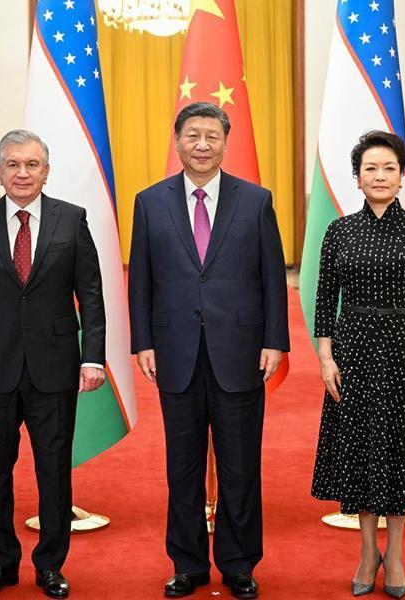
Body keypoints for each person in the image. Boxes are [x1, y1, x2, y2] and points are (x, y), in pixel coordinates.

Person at [128, 102, 289, 600]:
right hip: (174, 353)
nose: (202, 145)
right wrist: (142, 341)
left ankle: (239, 564)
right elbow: (141, 280)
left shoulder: (255, 200)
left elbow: (272, 277)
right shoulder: (149, 202)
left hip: (240, 351)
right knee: (183, 467)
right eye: (193, 135)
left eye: (212, 136)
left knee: (240, 464)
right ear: (177, 141)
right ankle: (188, 564)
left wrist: (275, 341)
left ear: (225, 142)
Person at [0, 130, 106, 599]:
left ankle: (50, 564)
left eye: (32, 164)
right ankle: (0, 562)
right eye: (13, 164)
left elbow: (91, 294)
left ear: (46, 170)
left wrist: (93, 356)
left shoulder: (71, 219)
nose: (22, 173)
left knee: (54, 469)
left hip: (54, 367)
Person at [310, 130, 405, 599]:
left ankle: (398, 554)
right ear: (357, 177)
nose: (380, 175)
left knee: (398, 450)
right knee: (361, 450)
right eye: (371, 168)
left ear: (401, 175)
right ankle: (368, 552)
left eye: (390, 167)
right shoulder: (339, 231)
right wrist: (326, 357)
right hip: (352, 351)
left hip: (404, 350)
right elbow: (324, 301)